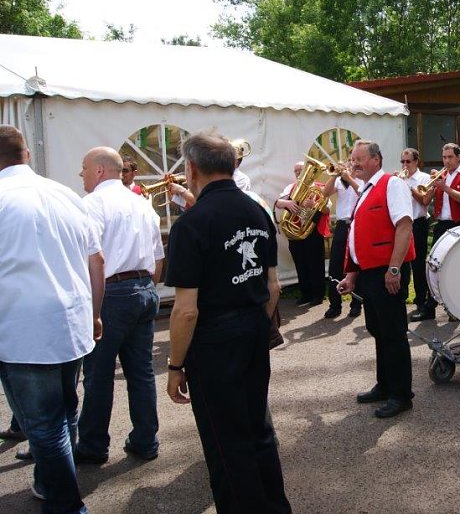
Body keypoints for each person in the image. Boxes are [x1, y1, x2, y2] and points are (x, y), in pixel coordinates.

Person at [165, 131, 291, 513]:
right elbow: (273, 287)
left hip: (215, 340)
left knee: (225, 441)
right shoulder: (257, 210)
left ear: (191, 168)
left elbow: (186, 309)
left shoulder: (191, 224)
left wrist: (174, 365)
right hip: (255, 327)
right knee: (258, 430)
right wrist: (255, 325)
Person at [0, 124, 104, 512]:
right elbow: (97, 260)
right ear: (26, 154)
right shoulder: (66, 195)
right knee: (64, 410)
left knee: (44, 425)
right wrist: (94, 314)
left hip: (23, 328)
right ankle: (51, 483)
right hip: (70, 319)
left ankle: (66, 503)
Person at [76, 147, 164, 464]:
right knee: (140, 373)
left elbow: (93, 261)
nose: (81, 173)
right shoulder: (142, 204)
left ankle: (93, 444)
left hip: (111, 292)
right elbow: (158, 259)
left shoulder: (91, 204)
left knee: (98, 375)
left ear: (100, 170)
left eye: (84, 167)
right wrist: (143, 288)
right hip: (143, 287)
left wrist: (94, 309)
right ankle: (145, 440)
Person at [336, 140, 416, 418]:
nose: (353, 163)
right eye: (352, 158)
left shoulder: (392, 184)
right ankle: (385, 385)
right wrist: (352, 275)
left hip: (386, 272)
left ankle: (401, 394)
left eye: (359, 158)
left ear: (376, 160)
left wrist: (394, 269)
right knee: (378, 330)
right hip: (370, 273)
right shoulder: (367, 190)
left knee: (393, 333)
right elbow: (361, 236)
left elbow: (404, 226)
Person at [410, 143, 460, 322]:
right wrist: (431, 185)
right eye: (444, 157)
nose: (446, 161)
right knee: (433, 265)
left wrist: (446, 187)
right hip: (441, 224)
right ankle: (430, 307)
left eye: (450, 157)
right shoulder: (442, 175)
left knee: (457, 268)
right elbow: (425, 200)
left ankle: (456, 308)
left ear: (458, 157)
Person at [275, 161, 330, 307]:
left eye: (301, 170)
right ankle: (306, 294)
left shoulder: (321, 188)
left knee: (315, 264)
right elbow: (278, 203)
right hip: (296, 232)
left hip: (313, 232)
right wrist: (288, 203)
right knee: (301, 264)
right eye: (296, 171)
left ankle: (318, 295)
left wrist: (316, 205)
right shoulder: (290, 187)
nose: (298, 173)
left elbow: (327, 210)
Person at [322, 160, 363, 319]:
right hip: (341, 225)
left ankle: (356, 304)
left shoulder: (361, 180)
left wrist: (349, 177)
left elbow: (361, 192)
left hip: (356, 225)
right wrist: (334, 175)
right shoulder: (339, 180)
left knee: (356, 265)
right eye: (350, 161)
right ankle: (335, 304)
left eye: (354, 161)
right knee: (335, 266)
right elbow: (325, 194)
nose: (352, 164)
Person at [399, 148, 432, 314]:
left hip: (418, 222)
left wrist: (409, 186)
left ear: (416, 162)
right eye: (402, 162)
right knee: (401, 262)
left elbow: (425, 201)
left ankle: (421, 300)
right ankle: (401, 298)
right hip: (402, 224)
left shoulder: (424, 178)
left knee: (418, 264)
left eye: (408, 161)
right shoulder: (399, 179)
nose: (405, 165)